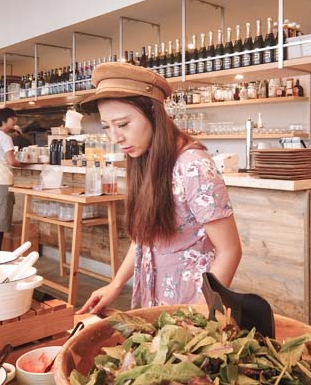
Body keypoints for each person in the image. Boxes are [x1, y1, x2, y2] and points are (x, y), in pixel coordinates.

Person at [78, 63, 242, 314]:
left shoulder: (193, 166)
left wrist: (200, 315)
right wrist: (116, 283)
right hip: (154, 301)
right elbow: (144, 236)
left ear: (155, 114)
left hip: (190, 305)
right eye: (107, 127)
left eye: (123, 124)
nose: (115, 138)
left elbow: (230, 251)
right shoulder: (144, 158)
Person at [0, 107, 25, 251]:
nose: (15, 120)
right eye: (12, 118)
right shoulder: (6, 138)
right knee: (0, 223)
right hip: (3, 182)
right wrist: (24, 164)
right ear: (4, 120)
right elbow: (12, 161)